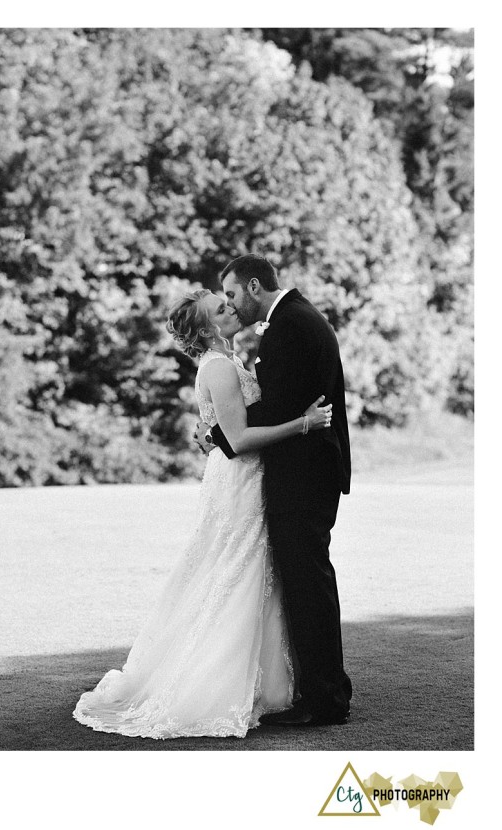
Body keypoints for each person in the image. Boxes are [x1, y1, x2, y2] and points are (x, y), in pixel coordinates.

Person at [73, 287, 332, 739]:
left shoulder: (224, 363)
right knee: (236, 573)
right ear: (208, 327)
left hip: (243, 476)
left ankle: (263, 685)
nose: (231, 307)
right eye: (220, 308)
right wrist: (303, 423)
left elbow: (227, 429)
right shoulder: (220, 368)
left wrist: (211, 432)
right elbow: (241, 439)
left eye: (226, 301)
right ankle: (214, 686)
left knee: (242, 573)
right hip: (240, 480)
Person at [201, 254, 352, 727]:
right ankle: (317, 690)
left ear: (252, 286)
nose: (228, 303)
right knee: (304, 581)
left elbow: (278, 407)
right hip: (303, 473)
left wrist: (219, 437)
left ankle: (325, 699)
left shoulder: (290, 326)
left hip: (305, 477)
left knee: (308, 583)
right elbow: (278, 403)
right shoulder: (292, 320)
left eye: (230, 294)